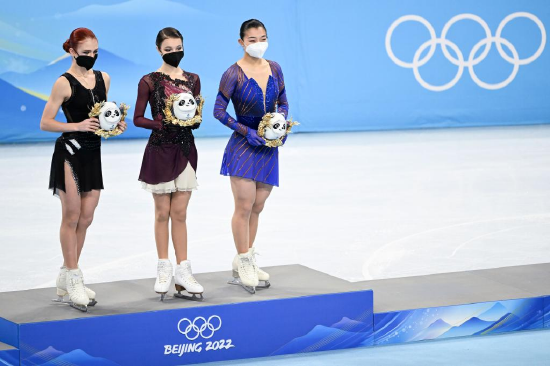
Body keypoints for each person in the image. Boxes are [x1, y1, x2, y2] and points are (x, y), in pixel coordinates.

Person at [40, 28, 127, 311]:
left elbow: (101, 117)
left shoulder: (104, 79)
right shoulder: (63, 83)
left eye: (95, 52)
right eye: (86, 52)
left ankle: (66, 274)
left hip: (93, 153)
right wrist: (76, 126)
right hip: (69, 152)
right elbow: (46, 122)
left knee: (87, 218)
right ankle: (74, 277)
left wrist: (114, 126)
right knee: (72, 215)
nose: (91, 57)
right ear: (71, 51)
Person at [213, 19, 289, 294]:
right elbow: (219, 111)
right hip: (244, 147)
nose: (259, 43)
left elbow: (283, 101)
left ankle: (245, 255)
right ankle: (244, 261)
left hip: (268, 147)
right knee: (244, 205)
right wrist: (246, 131)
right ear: (241, 42)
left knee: (258, 205)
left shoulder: (276, 68)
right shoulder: (233, 73)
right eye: (253, 39)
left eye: (263, 38)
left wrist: (282, 126)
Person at [133, 27, 203, 301]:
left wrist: (194, 120)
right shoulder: (149, 81)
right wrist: (158, 123)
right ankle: (164, 267)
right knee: (162, 212)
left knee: (181, 213)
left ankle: (183, 271)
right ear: (159, 50)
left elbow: (195, 113)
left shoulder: (193, 79)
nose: (175, 53)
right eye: (169, 49)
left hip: (185, 149)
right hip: (160, 150)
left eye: (178, 48)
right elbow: (138, 118)